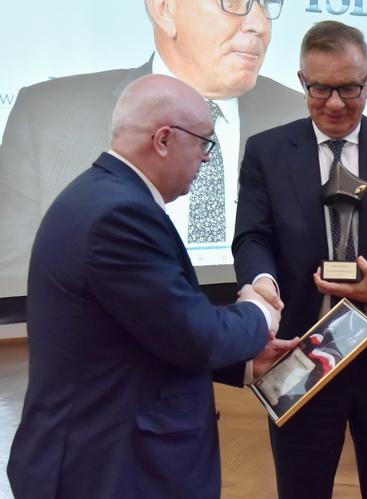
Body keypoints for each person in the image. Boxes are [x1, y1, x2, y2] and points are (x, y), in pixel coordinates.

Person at [6, 74, 299, 499]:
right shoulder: (119, 215)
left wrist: (246, 364)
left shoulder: (103, 197)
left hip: (104, 458)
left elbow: (151, 329)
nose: (207, 157)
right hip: (110, 470)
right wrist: (259, 310)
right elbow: (195, 335)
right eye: (203, 142)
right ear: (163, 140)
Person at [232, 20, 367, 499]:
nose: (335, 103)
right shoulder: (266, 152)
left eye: (349, 88)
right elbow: (252, 238)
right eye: (320, 88)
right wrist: (263, 281)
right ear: (302, 82)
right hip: (300, 354)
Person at [0, 0, 306, 286]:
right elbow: (15, 283)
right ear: (164, 9)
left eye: (266, 3)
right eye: (234, 2)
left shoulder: (302, 117)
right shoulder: (48, 115)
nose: (259, 24)